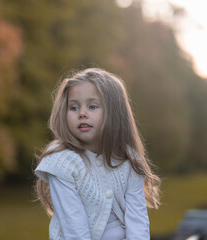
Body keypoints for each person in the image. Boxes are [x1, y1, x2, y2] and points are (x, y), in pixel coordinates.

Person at [35, 68, 160, 240]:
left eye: (92, 106)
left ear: (114, 113)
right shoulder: (62, 163)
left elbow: (137, 222)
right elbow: (74, 229)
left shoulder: (128, 160)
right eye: (74, 107)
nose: (82, 113)